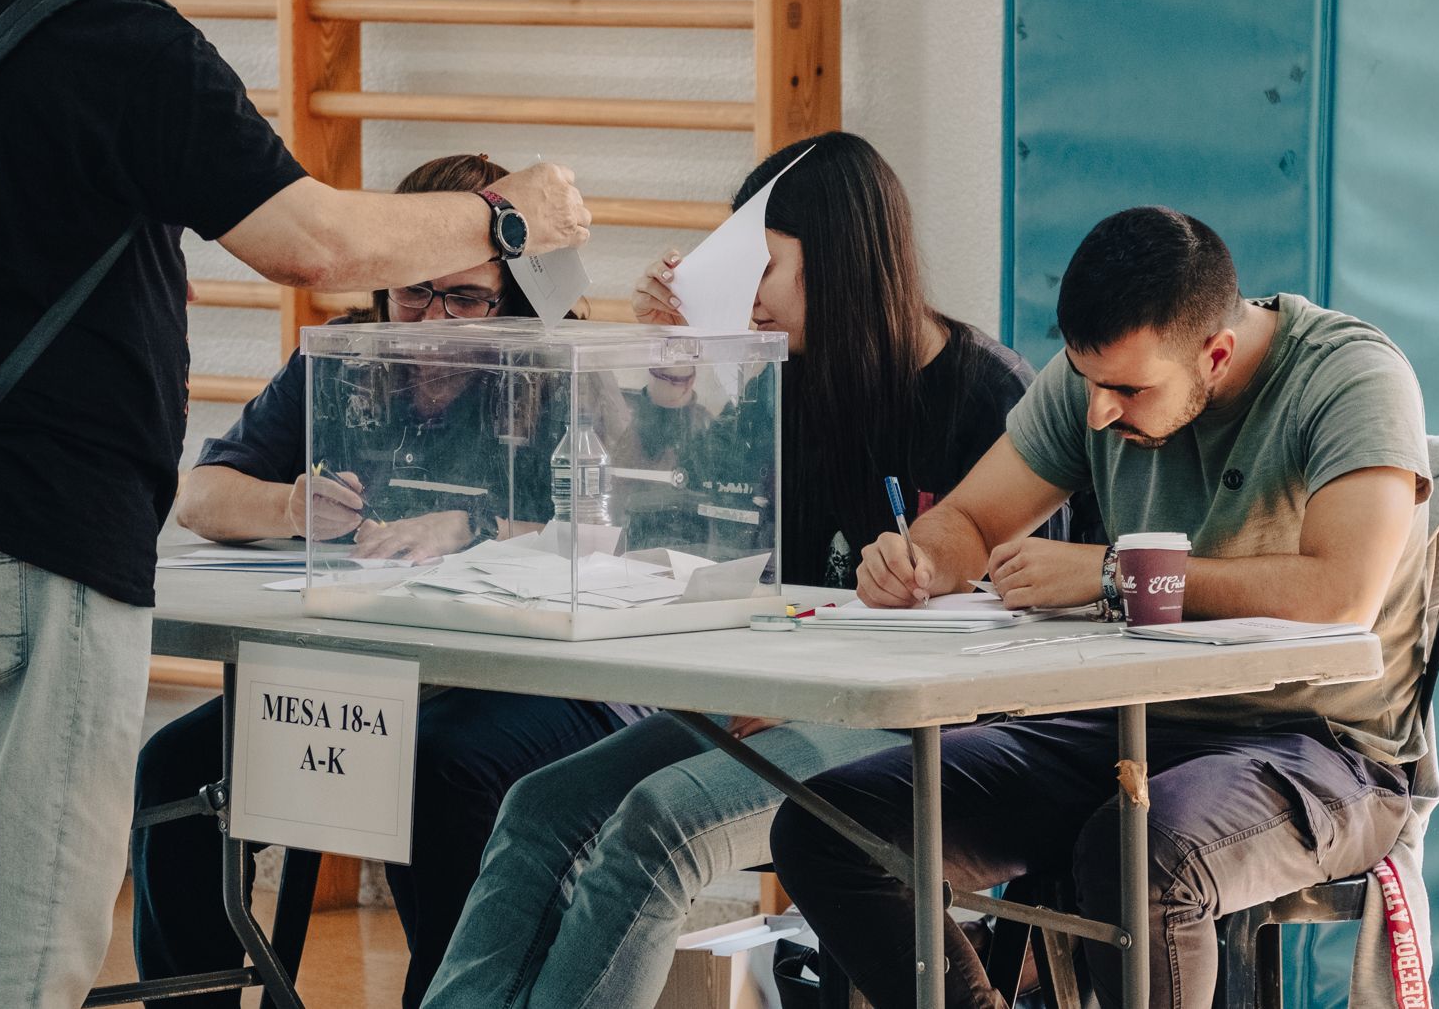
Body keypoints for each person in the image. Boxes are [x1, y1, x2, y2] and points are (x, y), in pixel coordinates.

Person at [0, 0, 589, 1009]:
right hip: (26, 551)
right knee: (12, 945)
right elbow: (312, 244)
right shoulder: (120, 38)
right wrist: (503, 220)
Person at [421, 132, 1069, 1009]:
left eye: (762, 268)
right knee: (538, 807)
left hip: (912, 726)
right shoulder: (787, 382)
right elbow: (669, 531)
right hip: (774, 698)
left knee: (659, 825)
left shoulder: (991, 396)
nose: (748, 299)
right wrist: (671, 379)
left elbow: (1019, 639)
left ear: (837, 261)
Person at [770, 206, 1433, 1009]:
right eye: (1087, 381)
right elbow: (973, 520)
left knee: (1137, 857)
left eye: (1125, 389)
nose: (1098, 413)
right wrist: (919, 557)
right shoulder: (1101, 375)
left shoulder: (1352, 376)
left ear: (1215, 354)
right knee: (828, 826)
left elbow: (1340, 594)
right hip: (1131, 723)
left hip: (1324, 747)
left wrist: (1117, 572)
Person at [134, 154, 646, 1009]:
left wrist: (472, 527)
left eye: (468, 299)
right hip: (388, 676)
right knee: (175, 772)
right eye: (413, 292)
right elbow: (199, 495)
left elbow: (616, 533)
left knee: (436, 772)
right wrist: (294, 504)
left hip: (546, 682)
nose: (436, 322)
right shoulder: (345, 360)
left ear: (514, 293)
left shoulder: (561, 367)